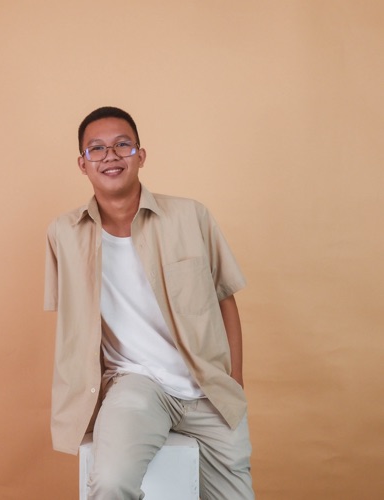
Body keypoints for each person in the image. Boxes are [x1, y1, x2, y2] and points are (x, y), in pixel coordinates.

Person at [44, 106, 254, 499]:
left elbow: (224, 298)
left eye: (122, 145)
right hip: (136, 384)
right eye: (97, 148)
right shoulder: (64, 233)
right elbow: (74, 323)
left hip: (207, 387)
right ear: (83, 164)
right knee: (111, 482)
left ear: (140, 155)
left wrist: (234, 379)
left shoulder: (191, 216)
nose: (110, 156)